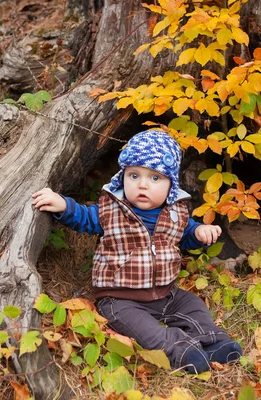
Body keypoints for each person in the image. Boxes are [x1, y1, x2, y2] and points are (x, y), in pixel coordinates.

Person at [32, 130, 242, 373]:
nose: (142, 185)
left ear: (170, 184)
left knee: (193, 305)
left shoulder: (177, 212)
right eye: (134, 175)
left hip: (165, 294)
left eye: (155, 178)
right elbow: (85, 218)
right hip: (121, 300)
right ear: (123, 177)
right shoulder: (112, 209)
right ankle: (181, 350)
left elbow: (186, 236)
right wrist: (64, 205)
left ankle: (214, 341)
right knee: (147, 331)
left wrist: (199, 234)